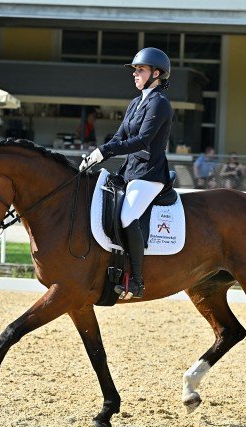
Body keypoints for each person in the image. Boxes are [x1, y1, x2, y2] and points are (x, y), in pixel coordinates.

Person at [79, 47, 173, 299]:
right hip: (130, 171)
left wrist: (106, 150)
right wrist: (97, 154)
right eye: (135, 70)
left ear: (156, 73)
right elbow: (120, 135)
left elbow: (143, 141)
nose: (135, 74)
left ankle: (138, 281)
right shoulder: (136, 102)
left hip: (149, 174)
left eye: (140, 70)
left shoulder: (160, 103)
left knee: (127, 216)